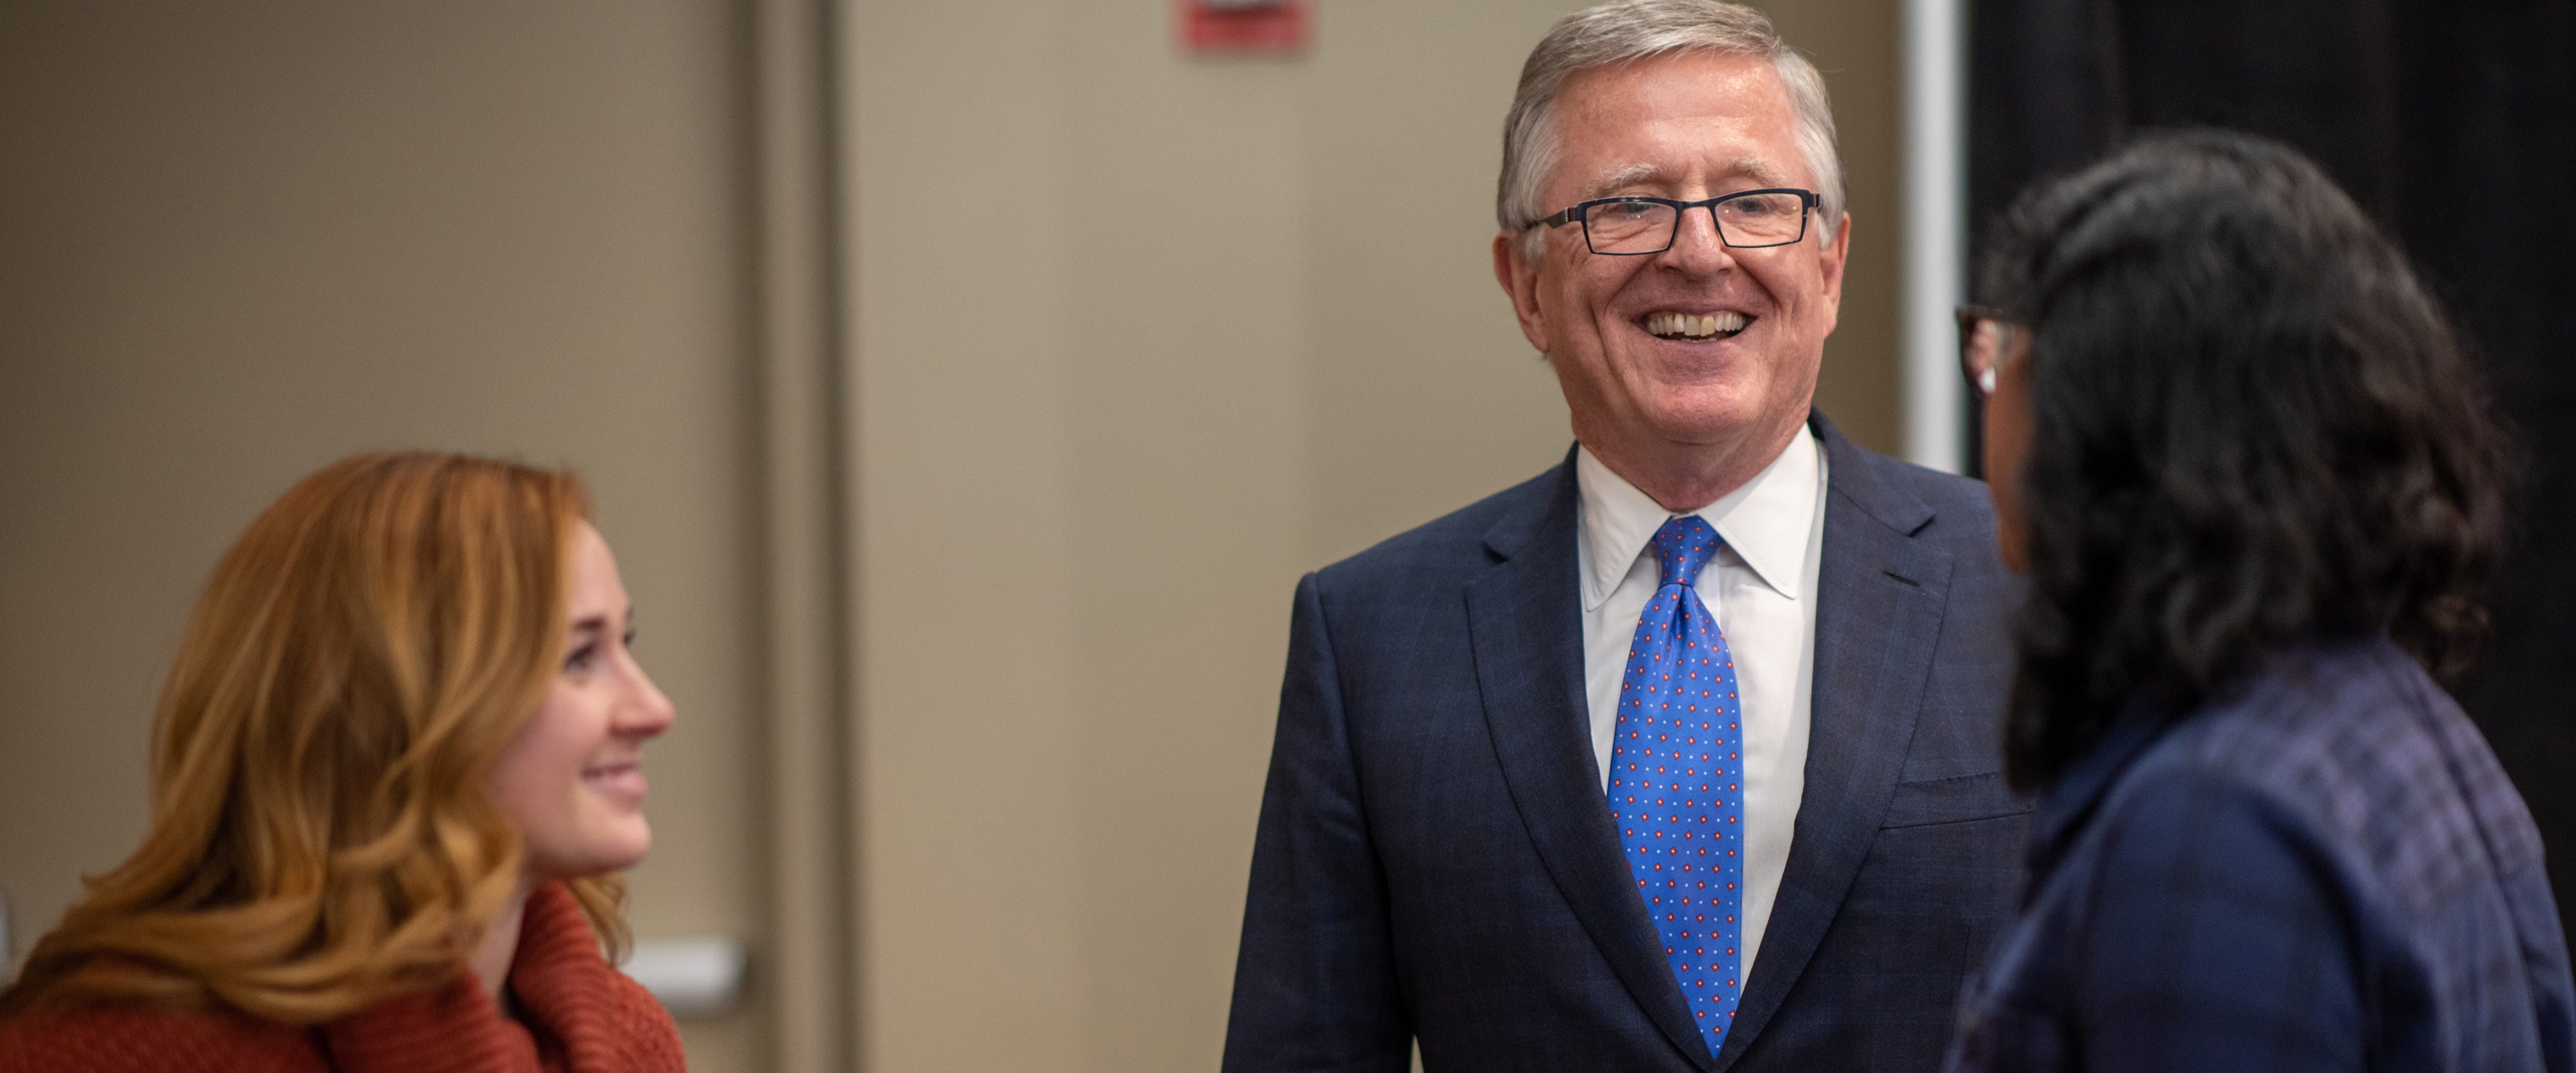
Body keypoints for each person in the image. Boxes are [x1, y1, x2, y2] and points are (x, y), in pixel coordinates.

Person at [1221, 3, 2027, 1070]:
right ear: (1525, 286)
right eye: (1627, 207)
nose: (1699, 252)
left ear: (1829, 266)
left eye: (1753, 202)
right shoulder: (1369, 639)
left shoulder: (2038, 579)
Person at [1945, 131, 2573, 1072]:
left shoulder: (2208, 828)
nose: (1984, 399)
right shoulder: (2397, 725)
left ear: (2107, 411)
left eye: (1998, 354)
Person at [0, 452, 686, 1073]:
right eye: (578, 658)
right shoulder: (116, 1053)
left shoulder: (631, 1039)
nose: (654, 707)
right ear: (394, 709)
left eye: (624, 644)